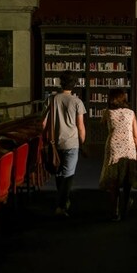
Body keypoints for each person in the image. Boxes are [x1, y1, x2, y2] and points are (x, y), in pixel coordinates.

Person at [42, 71, 86, 217]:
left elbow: (43, 123)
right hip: (71, 143)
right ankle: (61, 206)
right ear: (74, 85)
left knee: (59, 173)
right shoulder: (77, 102)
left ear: (61, 83)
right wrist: (82, 142)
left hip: (55, 142)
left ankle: (63, 201)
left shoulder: (52, 99)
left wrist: (46, 137)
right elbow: (80, 126)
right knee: (68, 175)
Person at [99, 88, 137, 221]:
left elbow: (103, 125)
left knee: (114, 180)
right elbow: (136, 136)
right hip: (129, 147)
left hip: (113, 147)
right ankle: (126, 206)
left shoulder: (107, 112)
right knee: (127, 178)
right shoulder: (131, 113)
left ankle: (115, 211)